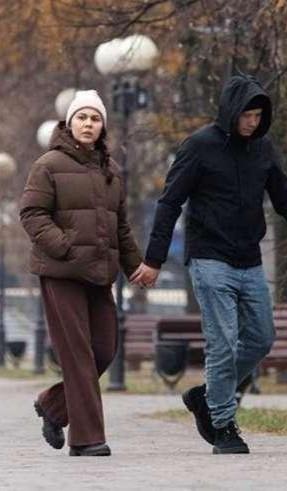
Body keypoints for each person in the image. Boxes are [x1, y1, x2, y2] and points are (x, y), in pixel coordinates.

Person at [132, 74, 287, 454]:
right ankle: (223, 426)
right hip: (209, 258)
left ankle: (207, 396)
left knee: (261, 338)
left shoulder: (263, 149)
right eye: (247, 115)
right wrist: (154, 259)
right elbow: (169, 203)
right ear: (231, 111)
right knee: (223, 343)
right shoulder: (199, 146)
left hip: (249, 260)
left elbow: (286, 199)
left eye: (258, 116)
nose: (252, 122)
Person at [19, 90, 146, 457]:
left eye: (95, 119)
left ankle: (53, 406)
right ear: (69, 123)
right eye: (82, 117)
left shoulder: (111, 171)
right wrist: (64, 246)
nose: (88, 124)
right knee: (77, 355)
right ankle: (87, 439)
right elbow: (31, 214)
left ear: (102, 126)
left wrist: (135, 265)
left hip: (99, 274)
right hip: (61, 272)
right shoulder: (48, 164)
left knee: (104, 350)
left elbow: (120, 226)